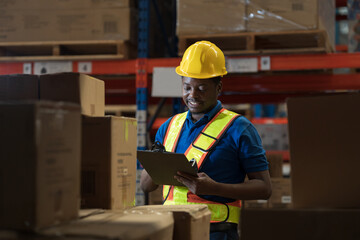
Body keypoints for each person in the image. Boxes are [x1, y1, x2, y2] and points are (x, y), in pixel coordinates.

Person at [140, 41, 271, 240]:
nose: (192, 95)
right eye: (187, 87)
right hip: (173, 231)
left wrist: (214, 188)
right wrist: (157, 164)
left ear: (218, 87)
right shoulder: (169, 127)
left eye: (201, 88)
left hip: (217, 233)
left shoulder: (239, 128)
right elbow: (146, 186)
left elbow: (264, 188)